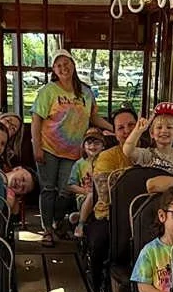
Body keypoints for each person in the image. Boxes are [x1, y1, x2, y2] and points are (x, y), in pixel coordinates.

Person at [31, 50, 112, 247]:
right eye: (58, 65)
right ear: (54, 70)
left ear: (73, 65)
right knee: (48, 189)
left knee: (65, 191)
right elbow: (36, 120)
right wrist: (37, 147)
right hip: (48, 148)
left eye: (66, 63)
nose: (63, 68)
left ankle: (58, 223)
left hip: (74, 151)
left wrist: (115, 129)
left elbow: (93, 117)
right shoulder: (48, 91)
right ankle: (47, 230)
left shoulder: (86, 92)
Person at [86, 107, 139, 292]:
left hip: (143, 216)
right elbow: (104, 193)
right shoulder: (107, 157)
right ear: (114, 132)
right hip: (110, 215)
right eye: (121, 127)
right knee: (100, 240)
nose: (126, 131)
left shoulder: (149, 153)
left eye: (131, 125)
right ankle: (97, 284)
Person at [124, 102, 173, 174]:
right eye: (159, 127)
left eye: (169, 127)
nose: (164, 131)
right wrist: (137, 132)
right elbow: (127, 151)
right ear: (152, 133)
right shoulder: (147, 154)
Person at [67, 127, 104, 238]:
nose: (92, 146)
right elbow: (70, 185)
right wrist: (85, 191)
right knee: (91, 196)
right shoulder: (79, 164)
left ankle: (81, 215)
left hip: (103, 196)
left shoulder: (106, 161)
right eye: (89, 143)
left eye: (97, 143)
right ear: (84, 146)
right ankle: (81, 224)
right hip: (85, 197)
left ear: (103, 146)